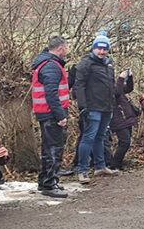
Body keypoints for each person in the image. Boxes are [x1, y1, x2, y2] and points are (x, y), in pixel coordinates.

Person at [74, 33, 120, 183]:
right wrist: (83, 107)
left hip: (107, 107)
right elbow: (79, 85)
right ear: (94, 48)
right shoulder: (86, 63)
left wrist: (113, 104)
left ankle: (100, 166)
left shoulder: (108, 63)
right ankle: (82, 170)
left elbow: (111, 85)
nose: (101, 52)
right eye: (99, 48)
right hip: (92, 107)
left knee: (100, 137)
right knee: (88, 137)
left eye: (104, 49)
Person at [30, 36, 71, 198]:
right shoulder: (51, 66)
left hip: (47, 113)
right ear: (60, 49)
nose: (66, 51)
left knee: (49, 148)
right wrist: (60, 115)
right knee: (53, 149)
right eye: (66, 48)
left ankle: (45, 181)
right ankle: (49, 183)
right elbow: (51, 93)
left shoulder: (46, 63)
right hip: (50, 114)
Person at [108, 70, 138, 171]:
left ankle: (117, 164)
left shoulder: (118, 87)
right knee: (124, 142)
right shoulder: (109, 89)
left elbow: (129, 88)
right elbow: (116, 92)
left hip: (126, 118)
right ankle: (114, 165)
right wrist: (120, 79)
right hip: (118, 119)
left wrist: (129, 78)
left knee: (125, 142)